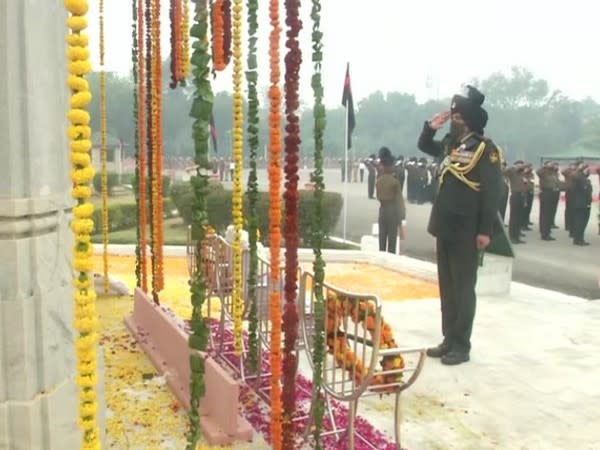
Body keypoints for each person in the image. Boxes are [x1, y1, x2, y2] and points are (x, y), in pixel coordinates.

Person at [417, 85, 502, 365]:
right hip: (444, 226)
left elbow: (492, 192)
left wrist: (485, 231)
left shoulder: (485, 150)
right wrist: (430, 128)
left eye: (457, 118)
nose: (453, 121)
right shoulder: (450, 146)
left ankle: (461, 345)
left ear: (469, 120)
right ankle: (448, 338)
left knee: (464, 288)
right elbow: (424, 146)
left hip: (467, 229)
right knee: (447, 286)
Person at [376, 147, 406, 253]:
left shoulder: (378, 181)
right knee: (392, 242)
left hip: (382, 211)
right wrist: (402, 221)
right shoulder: (395, 182)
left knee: (382, 239)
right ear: (390, 166)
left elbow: (378, 197)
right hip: (392, 212)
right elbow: (399, 203)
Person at [505, 161, 528, 244]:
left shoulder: (522, 174)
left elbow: (525, 186)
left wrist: (525, 200)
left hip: (522, 196)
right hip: (515, 195)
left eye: (522, 165)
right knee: (514, 217)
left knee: (519, 217)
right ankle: (512, 236)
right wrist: (513, 167)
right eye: (519, 165)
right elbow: (504, 171)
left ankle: (517, 235)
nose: (521, 166)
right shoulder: (512, 172)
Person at [537, 161, 560, 240]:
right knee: (545, 214)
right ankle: (544, 234)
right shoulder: (543, 172)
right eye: (550, 164)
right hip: (546, 193)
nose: (552, 165)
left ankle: (547, 231)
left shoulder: (553, 173)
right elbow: (538, 172)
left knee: (549, 214)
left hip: (553, 194)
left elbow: (557, 182)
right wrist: (545, 166)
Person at [571, 163, 593, 246]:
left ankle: (579, 239)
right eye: (587, 169)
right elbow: (585, 191)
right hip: (580, 204)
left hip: (584, 203)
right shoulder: (579, 178)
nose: (588, 171)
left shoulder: (584, 178)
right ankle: (578, 239)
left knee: (582, 222)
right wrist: (579, 169)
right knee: (580, 222)